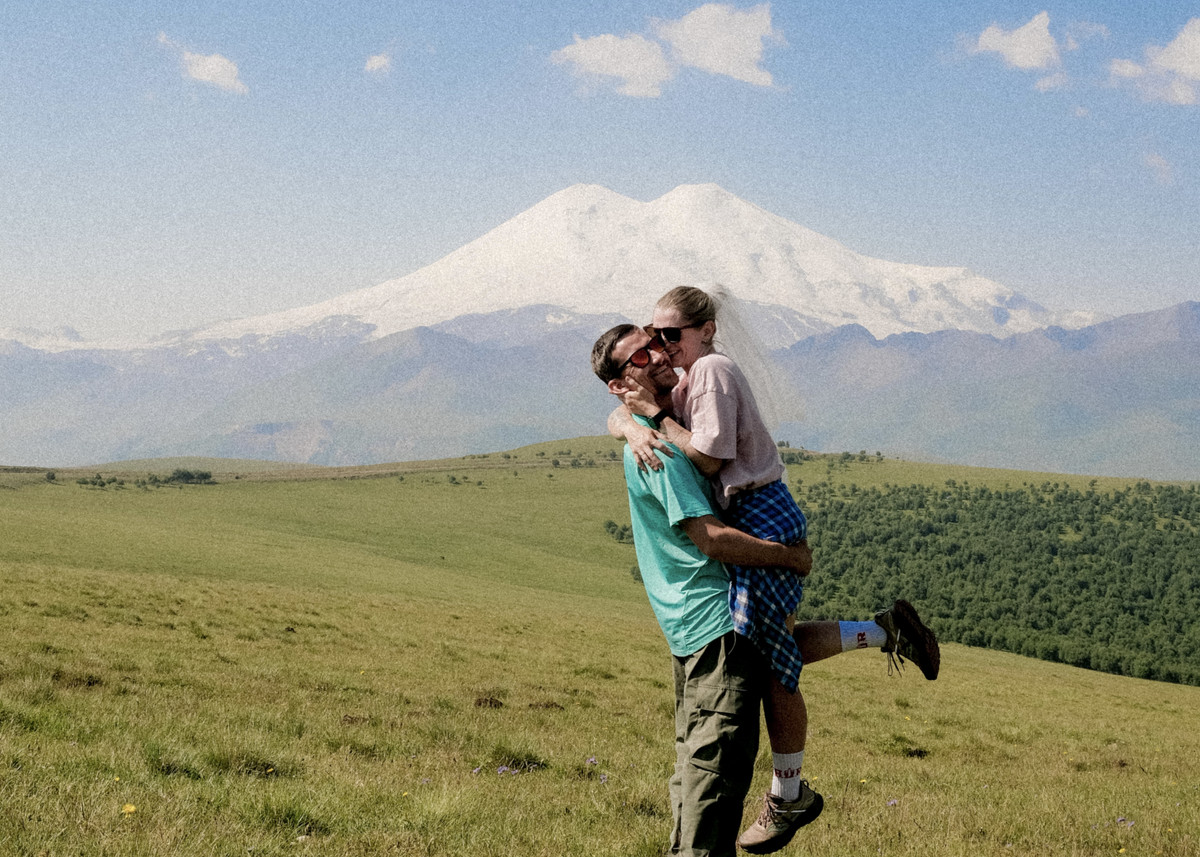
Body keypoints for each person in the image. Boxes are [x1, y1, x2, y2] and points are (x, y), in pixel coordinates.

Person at [607, 290, 939, 854]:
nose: (660, 349)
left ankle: (789, 796)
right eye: (651, 341)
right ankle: (884, 632)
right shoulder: (687, 381)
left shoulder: (708, 371)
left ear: (706, 330)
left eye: (667, 337)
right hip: (752, 514)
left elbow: (710, 460)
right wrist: (629, 423)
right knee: (772, 648)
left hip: (755, 513)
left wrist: (650, 419)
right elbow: (623, 407)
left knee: (773, 664)